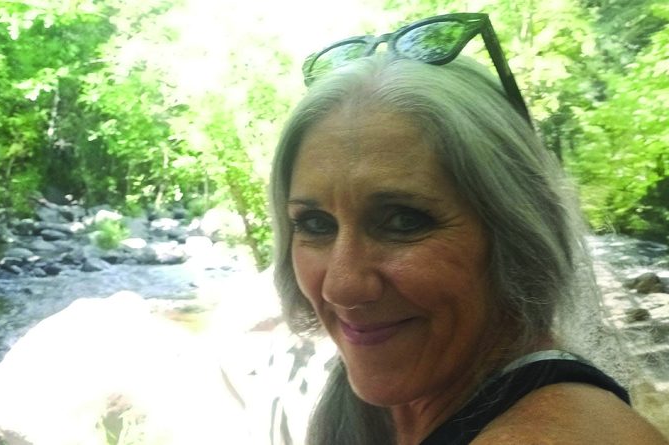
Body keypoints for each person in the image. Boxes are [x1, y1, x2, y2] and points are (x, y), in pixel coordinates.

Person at [268, 13, 669, 445]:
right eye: (314, 224)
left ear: (517, 235)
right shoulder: (380, 407)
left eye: (404, 220)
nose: (341, 288)